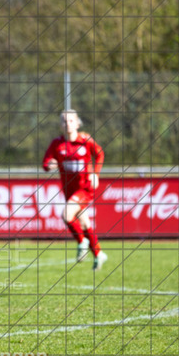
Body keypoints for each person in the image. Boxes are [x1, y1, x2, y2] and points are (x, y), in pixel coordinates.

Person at [42, 109, 107, 270]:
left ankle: (81, 242)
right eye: (64, 121)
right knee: (84, 224)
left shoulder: (85, 140)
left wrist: (95, 174)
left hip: (85, 189)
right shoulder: (57, 144)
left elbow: (100, 154)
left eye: (71, 120)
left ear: (77, 123)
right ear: (60, 125)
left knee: (66, 215)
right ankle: (99, 254)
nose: (68, 124)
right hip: (69, 191)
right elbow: (45, 164)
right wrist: (50, 165)